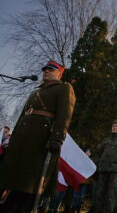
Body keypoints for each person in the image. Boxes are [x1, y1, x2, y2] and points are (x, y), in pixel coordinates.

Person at [0, 60, 76, 212]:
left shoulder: (64, 88)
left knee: (31, 178)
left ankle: (23, 206)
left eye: (51, 70)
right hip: (22, 137)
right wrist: (13, 137)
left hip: (41, 138)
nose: (46, 71)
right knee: (15, 174)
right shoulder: (35, 92)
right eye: (45, 69)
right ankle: (10, 204)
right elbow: (22, 116)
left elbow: (64, 115)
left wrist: (57, 137)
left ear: (59, 73)